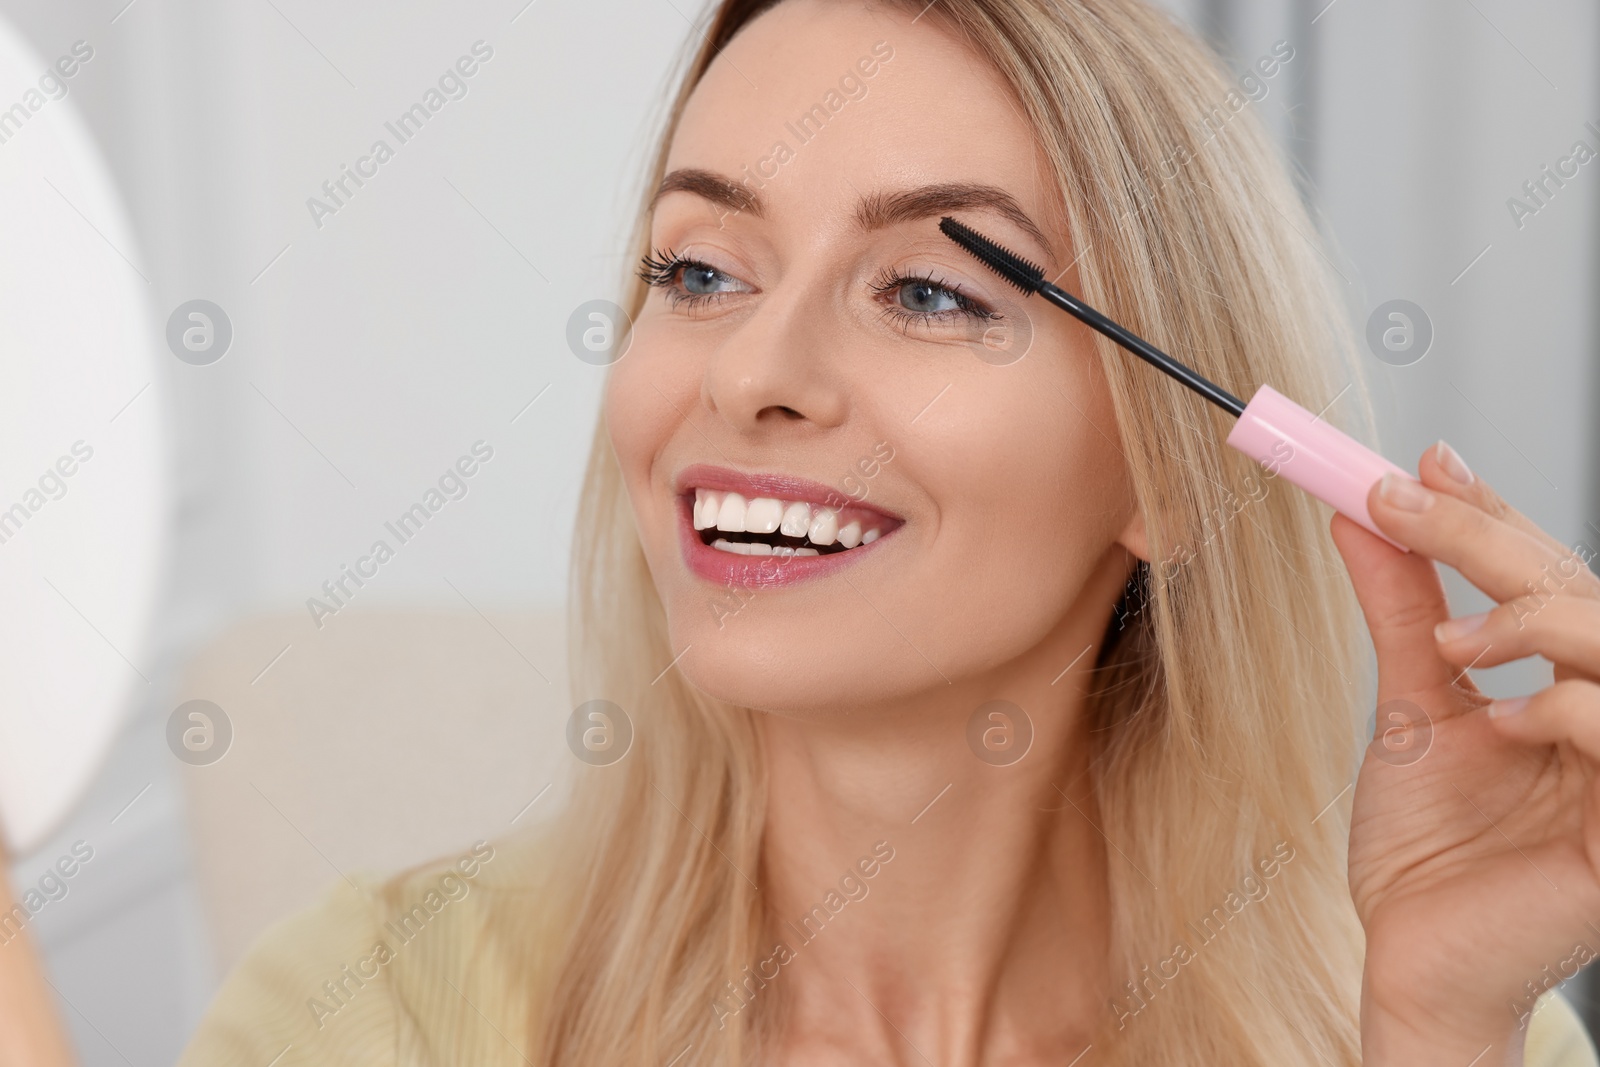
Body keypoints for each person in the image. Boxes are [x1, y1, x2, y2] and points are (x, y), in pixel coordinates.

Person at [11, 0, 1596, 1064]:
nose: (755, 375)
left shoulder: (1436, 1009)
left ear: (1174, 475)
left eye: (927, 289)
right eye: (700, 272)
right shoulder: (372, 1020)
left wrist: (1439, 1036)